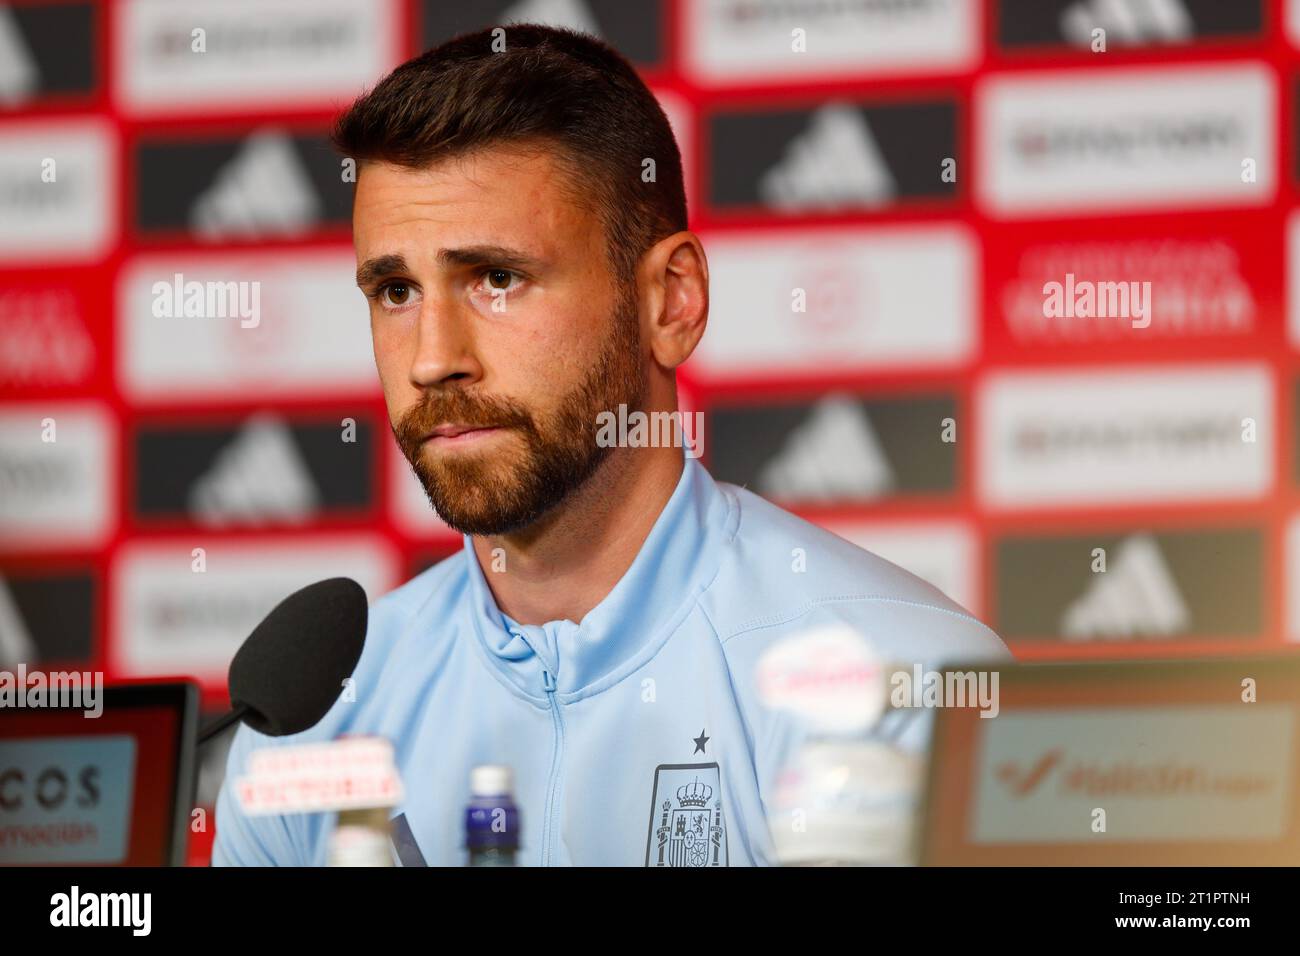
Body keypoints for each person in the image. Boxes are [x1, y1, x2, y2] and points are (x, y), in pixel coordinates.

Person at [213, 23, 1010, 867]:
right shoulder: (311, 726)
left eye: (496, 278)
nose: (433, 358)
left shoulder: (905, 693)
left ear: (672, 301)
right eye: (397, 289)